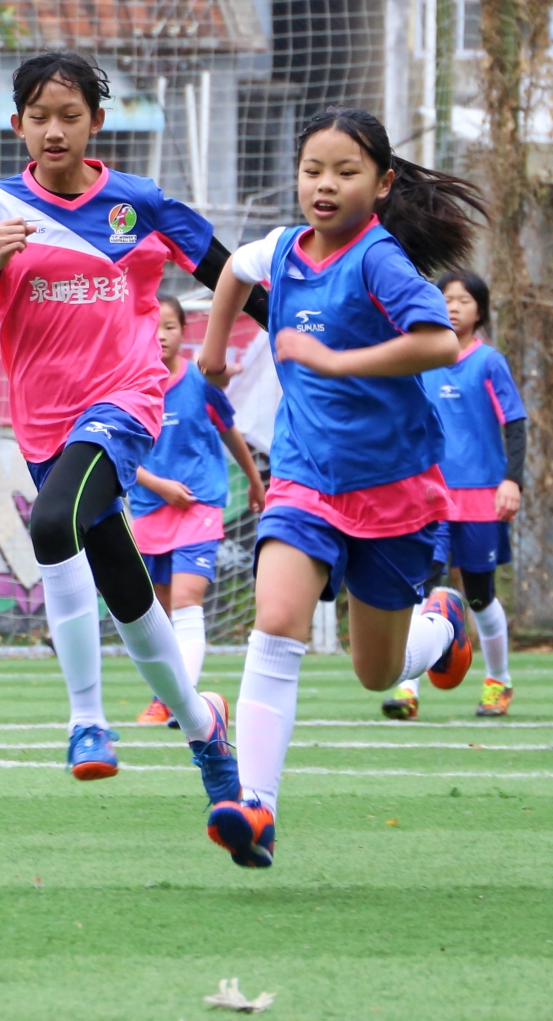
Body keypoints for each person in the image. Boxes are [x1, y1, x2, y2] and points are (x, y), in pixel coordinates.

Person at [0, 51, 243, 831]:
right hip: (44, 424)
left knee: (50, 525)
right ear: (16, 125)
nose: (53, 130)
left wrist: (310, 344)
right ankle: (206, 730)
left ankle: (85, 720)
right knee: (129, 598)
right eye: (38, 117)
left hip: (124, 401)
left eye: (69, 116)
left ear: (96, 123)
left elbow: (228, 272)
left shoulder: (140, 204)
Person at [195, 106, 488, 868]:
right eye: (312, 170)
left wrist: (332, 361)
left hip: (392, 489)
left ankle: (441, 624)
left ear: (381, 184)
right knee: (276, 619)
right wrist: (213, 354)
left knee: (375, 671)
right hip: (304, 476)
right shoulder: (281, 249)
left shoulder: (378, 260)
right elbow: (231, 269)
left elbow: (439, 342)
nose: (324, 185)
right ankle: (255, 806)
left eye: (344, 171)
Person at [382, 271, 526, 720]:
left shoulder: (490, 363)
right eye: (447, 298)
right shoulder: (421, 360)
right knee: (421, 588)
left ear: (479, 310)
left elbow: (515, 423)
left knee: (479, 595)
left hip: (482, 496)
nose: (454, 306)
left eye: (464, 299)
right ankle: (407, 687)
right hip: (429, 496)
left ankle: (498, 681)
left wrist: (512, 480)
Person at [132, 296, 266, 728]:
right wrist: (159, 485)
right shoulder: (129, 387)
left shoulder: (201, 382)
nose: (161, 336)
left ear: (184, 331)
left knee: (188, 601)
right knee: (161, 611)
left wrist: (255, 481)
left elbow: (229, 431)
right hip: (150, 508)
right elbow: (119, 453)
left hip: (200, 505)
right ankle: (166, 694)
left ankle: (179, 702)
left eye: (169, 326)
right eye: (153, 326)